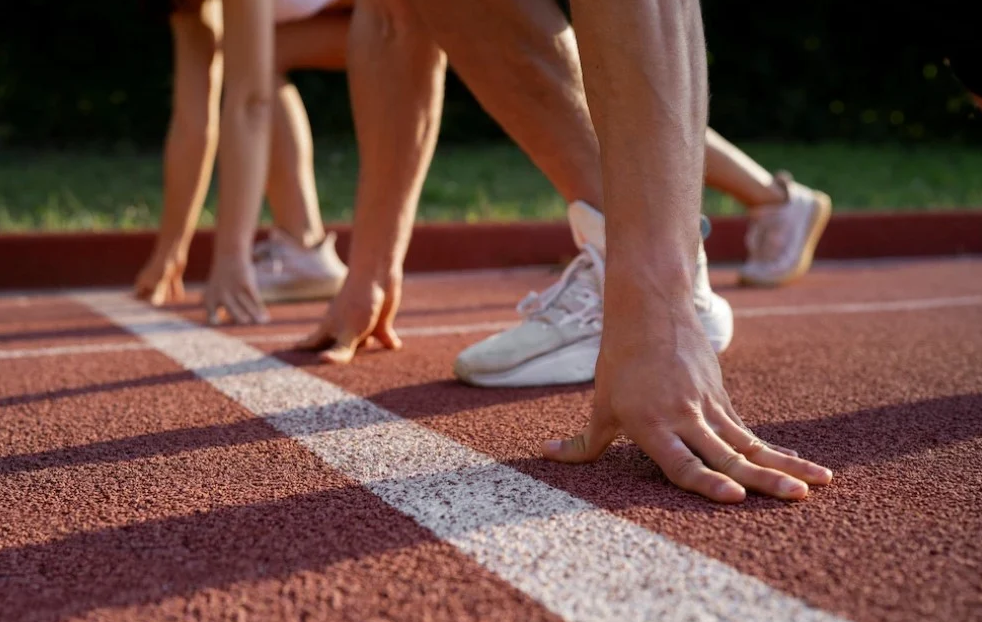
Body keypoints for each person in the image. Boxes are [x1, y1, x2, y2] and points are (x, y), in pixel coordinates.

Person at [134, 0, 353, 311]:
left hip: (415, 15)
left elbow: (251, 102)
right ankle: (302, 248)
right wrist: (169, 252)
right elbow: (192, 124)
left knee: (254, 59)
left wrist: (232, 258)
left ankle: (303, 246)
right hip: (369, 19)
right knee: (255, 54)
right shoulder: (191, 8)